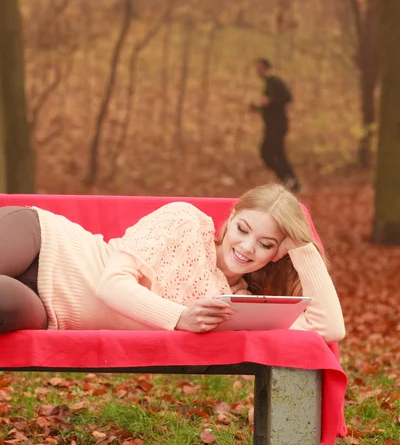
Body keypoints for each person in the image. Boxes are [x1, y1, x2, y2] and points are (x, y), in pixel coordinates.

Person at [0, 183, 345, 342]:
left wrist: (303, 249)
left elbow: (329, 328)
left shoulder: (234, 304)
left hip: (48, 310)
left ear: (276, 253)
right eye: (243, 229)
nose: (246, 246)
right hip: (45, 242)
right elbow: (110, 284)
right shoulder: (185, 221)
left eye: (266, 244)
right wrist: (180, 318)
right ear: (232, 216)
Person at [249, 58, 301, 192]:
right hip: (271, 125)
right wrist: (256, 108)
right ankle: (290, 181)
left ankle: (287, 179)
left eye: (260, 68)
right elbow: (268, 106)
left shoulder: (275, 82)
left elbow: (287, 97)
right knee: (278, 153)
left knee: (267, 152)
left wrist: (270, 101)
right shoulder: (267, 84)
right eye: (257, 69)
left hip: (278, 125)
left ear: (267, 68)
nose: (258, 71)